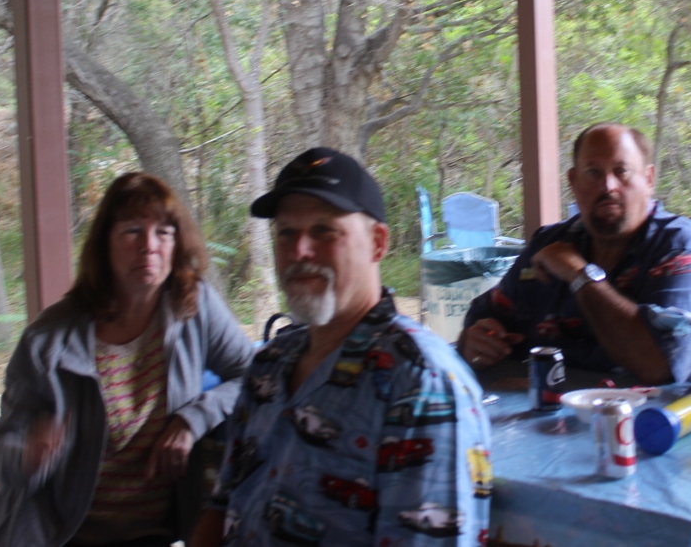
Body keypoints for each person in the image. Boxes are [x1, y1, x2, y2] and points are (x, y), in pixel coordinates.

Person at [192, 147, 491, 547]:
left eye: (324, 231)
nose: (299, 251)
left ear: (377, 243)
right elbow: (222, 507)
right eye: (286, 233)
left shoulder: (423, 382)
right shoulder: (269, 363)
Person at [0, 173, 254, 547]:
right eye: (132, 230)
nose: (149, 246)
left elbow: (251, 374)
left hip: (153, 534)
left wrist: (192, 420)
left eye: (163, 233)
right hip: (58, 535)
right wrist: (28, 455)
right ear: (104, 243)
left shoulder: (194, 306)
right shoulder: (48, 340)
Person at [460, 123, 691, 384]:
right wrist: (475, 340)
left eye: (621, 171)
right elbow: (484, 317)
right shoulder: (550, 242)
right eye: (593, 172)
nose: (608, 186)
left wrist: (579, 274)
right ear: (573, 181)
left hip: (656, 414)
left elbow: (657, 365)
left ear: (648, 179)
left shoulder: (683, 248)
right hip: (535, 409)